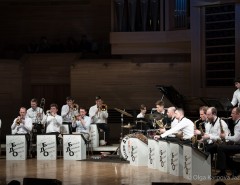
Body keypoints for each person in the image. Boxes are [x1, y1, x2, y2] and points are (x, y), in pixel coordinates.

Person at [215, 107, 240, 178]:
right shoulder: (238, 123)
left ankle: (223, 172)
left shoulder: (238, 124)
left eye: (233, 113)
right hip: (237, 144)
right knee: (223, 147)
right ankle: (235, 169)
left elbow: (236, 139)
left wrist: (225, 136)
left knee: (221, 148)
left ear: (238, 114)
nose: (231, 115)